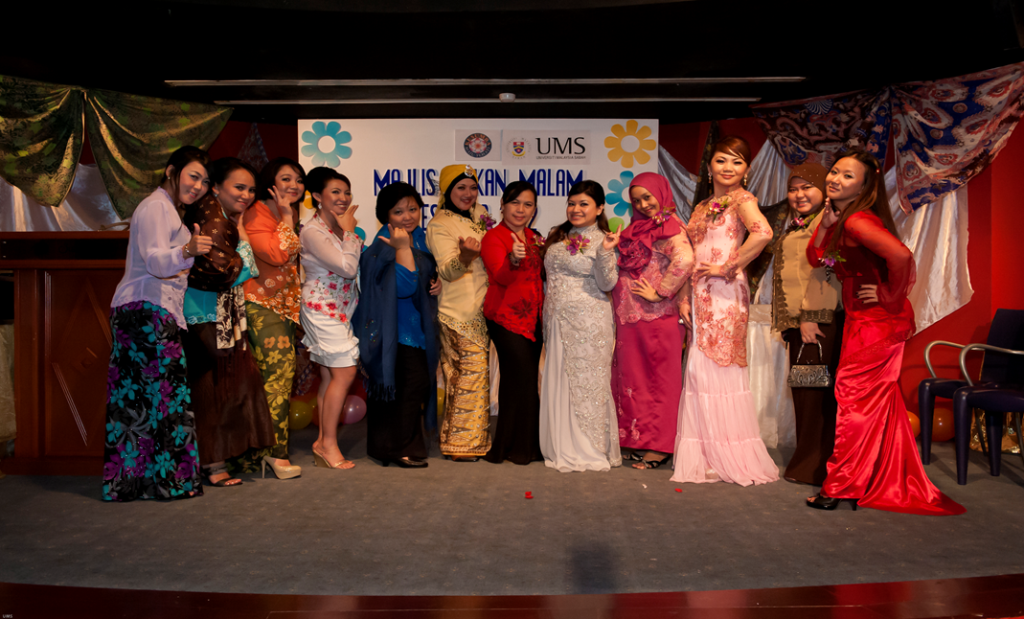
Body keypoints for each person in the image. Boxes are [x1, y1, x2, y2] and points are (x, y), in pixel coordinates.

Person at [805, 151, 964, 515]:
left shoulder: (857, 221)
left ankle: (842, 486)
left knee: (853, 402)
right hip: (864, 323)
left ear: (865, 185)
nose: (835, 179)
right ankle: (878, 478)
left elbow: (902, 257)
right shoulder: (841, 218)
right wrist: (825, 225)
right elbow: (816, 258)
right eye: (835, 171)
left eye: (848, 176)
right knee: (876, 404)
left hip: (876, 326)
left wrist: (888, 294)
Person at [102, 146, 213, 501]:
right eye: (193, 176)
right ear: (170, 171)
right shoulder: (156, 207)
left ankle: (130, 484)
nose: (198, 186)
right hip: (147, 310)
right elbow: (154, 261)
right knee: (167, 398)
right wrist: (187, 250)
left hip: (141, 310)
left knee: (135, 401)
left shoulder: (167, 210)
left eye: (204, 182)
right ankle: (171, 482)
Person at [671, 136, 779, 486]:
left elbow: (763, 233)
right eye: (721, 160)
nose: (728, 168)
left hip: (726, 293)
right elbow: (692, 254)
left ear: (746, 170)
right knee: (698, 370)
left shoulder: (743, 199)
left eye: (737, 161)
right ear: (709, 166)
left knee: (719, 368)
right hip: (699, 294)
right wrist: (683, 296)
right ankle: (706, 454)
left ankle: (727, 453)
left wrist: (727, 267)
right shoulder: (702, 206)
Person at [181, 158, 277, 488]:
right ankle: (213, 462)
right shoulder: (215, 221)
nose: (246, 195)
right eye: (239, 187)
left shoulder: (217, 216)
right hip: (205, 314)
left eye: (251, 189)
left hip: (215, 313)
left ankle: (213, 459)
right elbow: (225, 273)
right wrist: (245, 245)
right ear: (216, 187)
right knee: (213, 389)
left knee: (226, 386)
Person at [766, 163, 843, 486]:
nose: (798, 195)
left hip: (817, 322)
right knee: (806, 391)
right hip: (801, 325)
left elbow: (826, 271)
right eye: (793, 189)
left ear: (823, 190)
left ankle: (816, 466)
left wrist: (810, 316)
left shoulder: (827, 223)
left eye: (806, 187)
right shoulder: (802, 224)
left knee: (814, 393)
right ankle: (812, 461)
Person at [611, 172, 693, 470]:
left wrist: (661, 292)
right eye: (636, 201)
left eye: (648, 197)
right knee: (634, 380)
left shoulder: (670, 227)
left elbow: (685, 260)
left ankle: (660, 446)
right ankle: (637, 440)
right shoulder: (636, 228)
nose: (644, 205)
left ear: (662, 194)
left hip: (658, 318)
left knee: (659, 382)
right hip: (630, 317)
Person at [354, 182, 438, 468]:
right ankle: (397, 447)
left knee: (408, 386)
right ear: (385, 215)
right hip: (392, 330)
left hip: (415, 327)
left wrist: (435, 283)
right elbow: (403, 286)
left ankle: (387, 447)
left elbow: (424, 274)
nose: (407, 216)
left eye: (413, 209)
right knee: (409, 384)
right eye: (398, 211)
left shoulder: (420, 239)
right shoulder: (383, 244)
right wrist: (402, 249)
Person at [539, 180, 622, 472]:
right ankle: (560, 443)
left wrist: (605, 253)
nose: (576, 209)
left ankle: (589, 448)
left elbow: (607, 283)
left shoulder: (604, 240)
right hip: (556, 320)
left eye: (584, 204)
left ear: (599, 208)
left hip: (588, 323)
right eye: (572, 203)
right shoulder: (558, 235)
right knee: (560, 380)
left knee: (586, 384)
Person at [236, 158, 305, 479]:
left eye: (299, 180)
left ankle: (262, 452)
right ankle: (275, 454)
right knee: (278, 378)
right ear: (270, 183)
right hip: (262, 304)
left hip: (284, 308)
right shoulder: (257, 213)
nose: (294, 185)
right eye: (286, 178)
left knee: (278, 378)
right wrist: (288, 218)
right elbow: (277, 255)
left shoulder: (280, 213)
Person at [425, 164, 493, 461]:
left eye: (473, 187)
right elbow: (448, 271)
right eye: (460, 188)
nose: (468, 194)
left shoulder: (480, 215)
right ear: (447, 190)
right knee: (466, 376)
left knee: (477, 376)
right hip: (458, 311)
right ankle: (460, 444)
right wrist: (465, 256)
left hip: (483, 307)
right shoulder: (440, 225)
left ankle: (470, 440)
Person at [300, 168, 362, 470]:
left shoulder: (339, 227)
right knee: (345, 372)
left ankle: (322, 442)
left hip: (340, 310)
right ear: (317, 196)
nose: (343, 198)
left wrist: (346, 232)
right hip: (321, 308)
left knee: (329, 375)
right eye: (335, 192)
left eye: (346, 192)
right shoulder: (313, 231)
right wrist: (350, 233)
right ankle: (328, 444)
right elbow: (346, 268)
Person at [480, 181, 545, 465]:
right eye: (515, 203)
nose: (521, 209)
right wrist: (513, 259)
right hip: (505, 319)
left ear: (534, 209)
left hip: (534, 319)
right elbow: (500, 276)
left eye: (528, 204)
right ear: (503, 205)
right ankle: (518, 448)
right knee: (523, 380)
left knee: (520, 382)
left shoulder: (534, 237)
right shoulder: (493, 237)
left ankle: (515, 446)